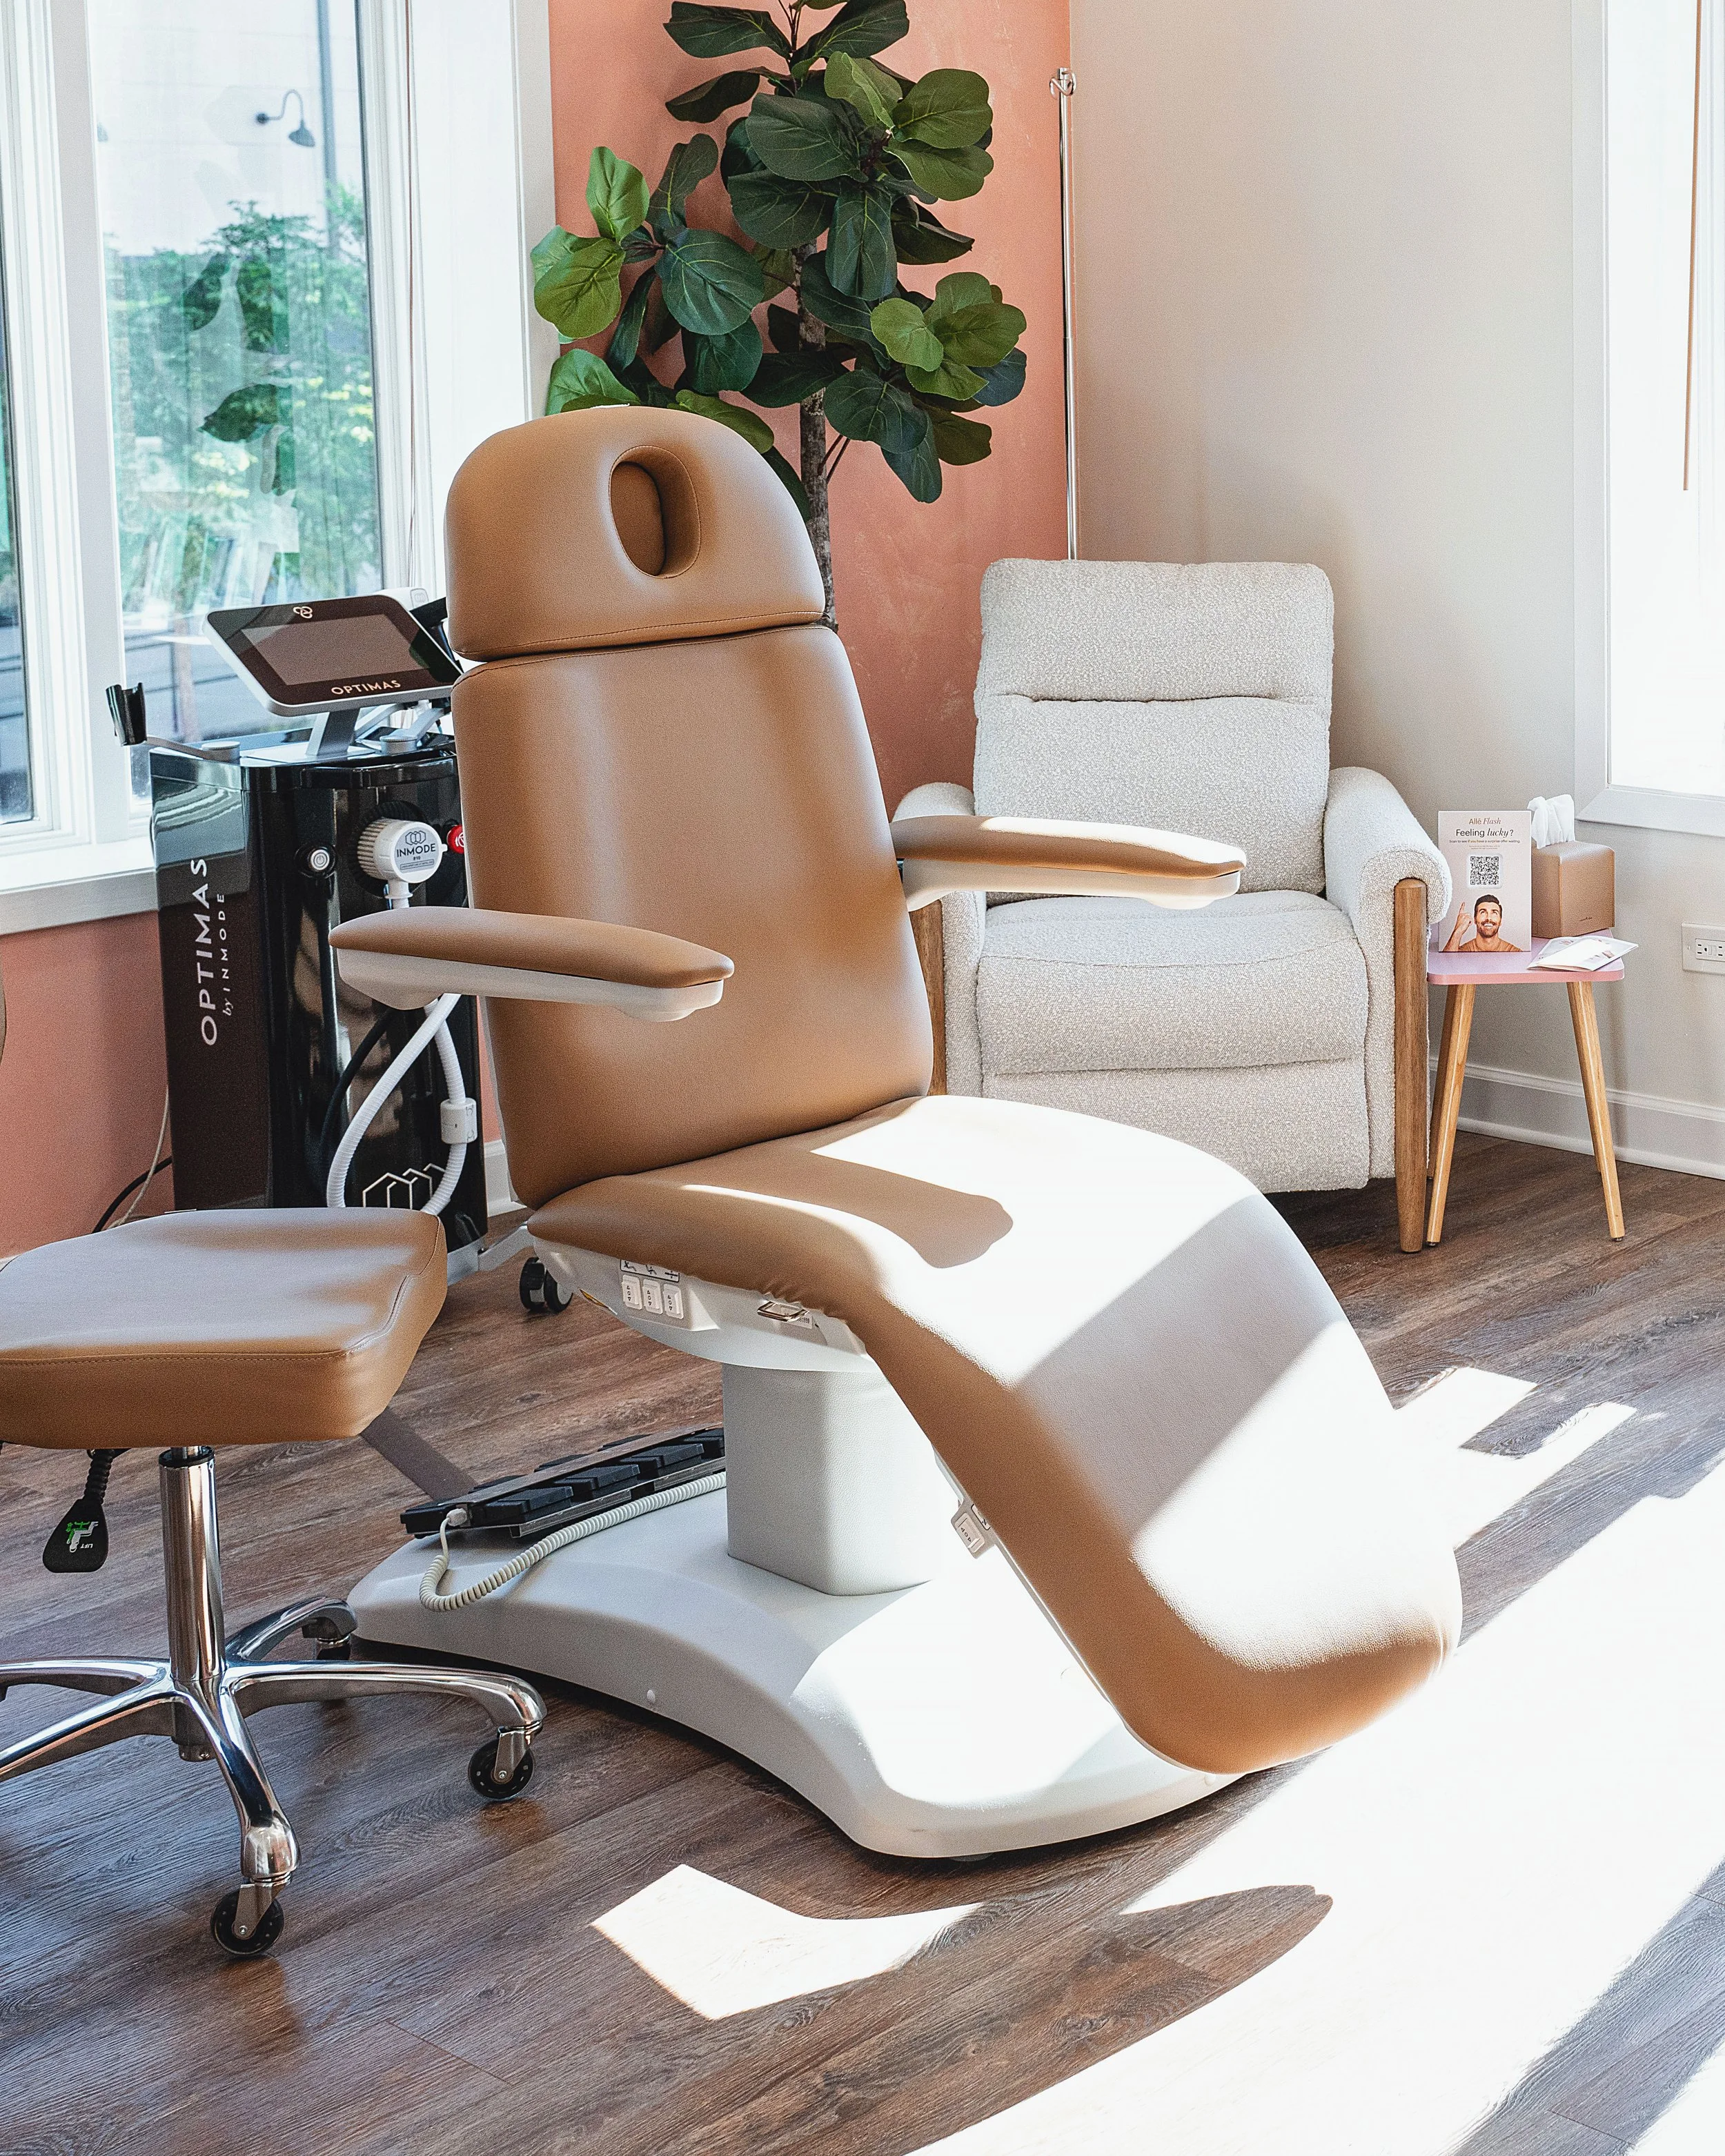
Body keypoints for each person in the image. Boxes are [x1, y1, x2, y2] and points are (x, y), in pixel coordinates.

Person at [1443, 892, 1523, 954]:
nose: (1488, 918)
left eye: (1494, 913)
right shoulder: (1464, 951)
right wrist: (1458, 931)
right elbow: (1446, 966)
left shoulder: (1513, 952)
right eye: (1483, 912)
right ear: (1474, 919)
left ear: (1501, 921)